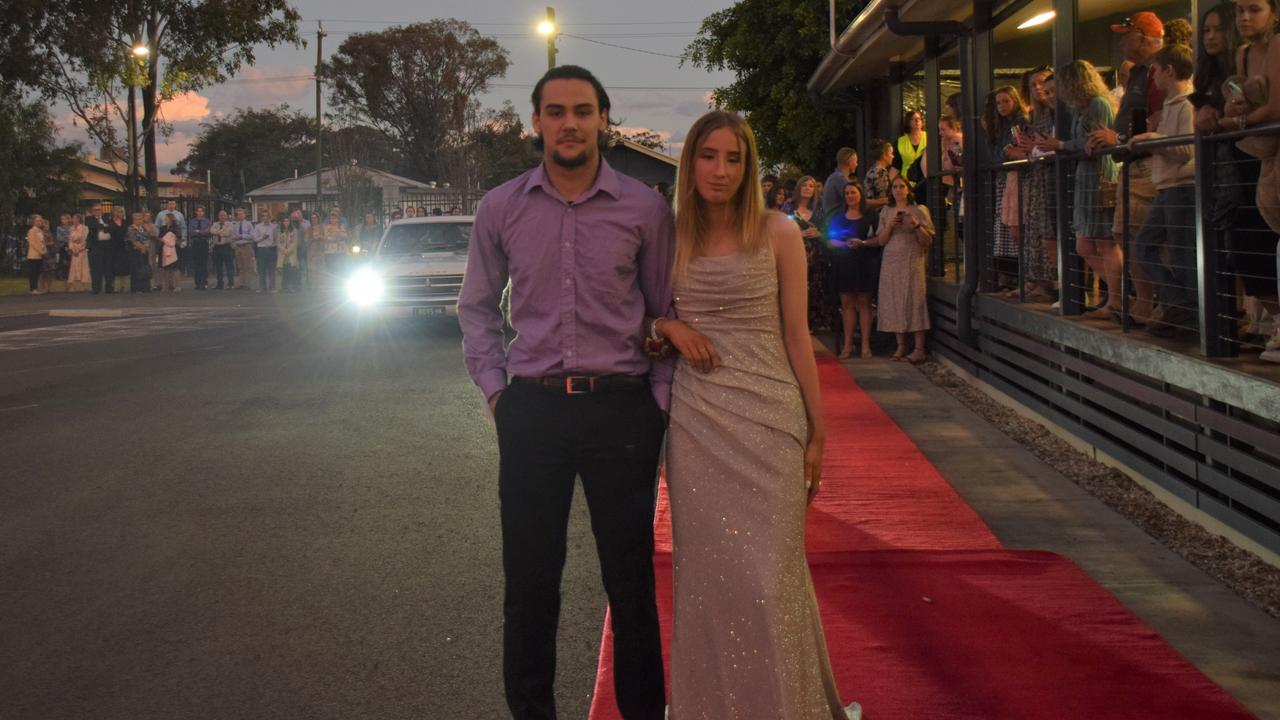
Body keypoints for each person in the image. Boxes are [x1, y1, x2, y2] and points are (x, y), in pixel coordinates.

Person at [457, 64, 671, 720]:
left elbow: (665, 309)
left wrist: (658, 401)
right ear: (537, 123)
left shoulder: (644, 207)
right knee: (529, 587)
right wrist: (498, 394)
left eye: (582, 110)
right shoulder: (501, 207)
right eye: (556, 111)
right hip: (534, 412)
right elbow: (475, 308)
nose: (569, 123)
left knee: (631, 586)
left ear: (604, 119)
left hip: (623, 414)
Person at [648, 109, 860, 720]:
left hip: (770, 418)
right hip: (698, 423)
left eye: (734, 158)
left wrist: (817, 431)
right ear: (691, 163)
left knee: (770, 582)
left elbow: (798, 335)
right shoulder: (671, 235)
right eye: (709, 156)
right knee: (710, 583)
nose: (721, 170)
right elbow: (636, 316)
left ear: (750, 167)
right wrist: (668, 325)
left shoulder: (779, 232)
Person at [1090, 11, 1166, 324]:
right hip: (1130, 162)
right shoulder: (1138, 72)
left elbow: (1162, 116)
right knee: (1125, 234)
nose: (1121, 40)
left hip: (1148, 164)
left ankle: (1154, 303)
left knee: (1139, 236)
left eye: (1127, 33)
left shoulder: (1159, 70)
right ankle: (1145, 302)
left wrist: (1118, 136)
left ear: (1146, 37)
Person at [1216, 0, 1280, 357]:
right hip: (1257, 155)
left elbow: (1274, 109)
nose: (1244, 17)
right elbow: (1236, 103)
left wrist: (1235, 122)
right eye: (1240, 10)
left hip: (1270, 152)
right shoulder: (1242, 54)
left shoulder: (1278, 44)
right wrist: (1233, 114)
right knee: (1246, 245)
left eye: (1254, 9)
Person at [1039, 61, 1121, 317]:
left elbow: (1094, 144)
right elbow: (1083, 143)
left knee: (1103, 240)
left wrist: (1062, 145)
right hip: (1084, 175)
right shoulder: (1080, 109)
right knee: (1084, 244)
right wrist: (1071, 145)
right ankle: (1118, 292)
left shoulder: (1098, 104)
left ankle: (1116, 299)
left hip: (1098, 174)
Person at [1129, 44, 1198, 336]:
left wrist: (1152, 138)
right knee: (1145, 247)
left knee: (1182, 256)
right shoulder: (1172, 105)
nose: (1152, 78)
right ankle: (1179, 305)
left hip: (1181, 187)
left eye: (1156, 71)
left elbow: (1187, 148)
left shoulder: (1187, 104)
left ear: (1169, 70)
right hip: (1167, 186)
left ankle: (1189, 315)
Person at [872, 175, 934, 362]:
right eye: (895, 187)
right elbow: (881, 240)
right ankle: (900, 346)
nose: (898, 190)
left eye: (901, 186)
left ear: (908, 189)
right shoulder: (886, 211)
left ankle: (919, 347)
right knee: (895, 300)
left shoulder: (919, 210)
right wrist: (890, 226)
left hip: (912, 258)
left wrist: (916, 226)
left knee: (915, 299)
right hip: (891, 260)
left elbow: (928, 240)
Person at [1010, 67, 1058, 302]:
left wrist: (1035, 148)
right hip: (1039, 175)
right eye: (1034, 85)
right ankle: (1038, 281)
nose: (1039, 89)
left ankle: (1057, 284)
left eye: (1042, 83)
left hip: (1054, 177)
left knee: (1051, 232)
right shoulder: (1035, 116)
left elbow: (1052, 144)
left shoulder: (1058, 112)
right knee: (1037, 232)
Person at [826, 180, 880, 358]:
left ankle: (865, 345)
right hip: (845, 263)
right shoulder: (838, 216)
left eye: (853, 192)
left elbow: (878, 238)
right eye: (847, 193)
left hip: (864, 262)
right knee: (847, 304)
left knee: (865, 303)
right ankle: (847, 345)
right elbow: (829, 239)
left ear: (860, 195)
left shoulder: (870, 215)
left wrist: (863, 243)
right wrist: (844, 243)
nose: (850, 196)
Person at [984, 85, 1029, 290]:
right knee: (1006, 227)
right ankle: (1012, 274)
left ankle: (1024, 276)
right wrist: (1005, 152)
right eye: (998, 103)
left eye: (1006, 101)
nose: (1002, 106)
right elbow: (999, 153)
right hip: (1004, 178)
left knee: (1017, 226)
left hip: (1018, 177)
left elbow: (1018, 151)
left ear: (1015, 101)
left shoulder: (1021, 122)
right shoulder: (1000, 127)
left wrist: (1007, 152)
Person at [793, 175, 838, 333]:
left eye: (811, 186)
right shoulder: (788, 208)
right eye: (804, 185)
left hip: (817, 255)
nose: (807, 188)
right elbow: (779, 231)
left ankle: (814, 324)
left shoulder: (820, 210)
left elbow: (831, 233)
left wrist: (819, 233)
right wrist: (799, 234)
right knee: (797, 289)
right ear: (798, 188)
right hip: (796, 254)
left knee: (816, 288)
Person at [895, 110, 928, 199]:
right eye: (913, 119)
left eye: (919, 119)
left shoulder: (930, 137)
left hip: (926, 181)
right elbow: (896, 166)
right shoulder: (900, 142)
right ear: (908, 122)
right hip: (906, 183)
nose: (917, 121)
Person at [821, 147, 858, 217]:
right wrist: (882, 201)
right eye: (855, 161)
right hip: (837, 222)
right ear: (849, 162)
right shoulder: (840, 178)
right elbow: (857, 201)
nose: (857, 164)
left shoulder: (834, 177)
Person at [85, 204, 113, 294]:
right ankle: (96, 288)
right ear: (92, 211)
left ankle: (109, 288)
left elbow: (112, 227)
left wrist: (104, 226)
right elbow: (93, 226)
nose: (97, 211)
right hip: (96, 246)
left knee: (108, 267)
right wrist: (104, 226)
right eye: (95, 210)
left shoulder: (107, 217)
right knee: (96, 268)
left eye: (99, 210)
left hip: (107, 245)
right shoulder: (89, 219)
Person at [155, 199, 186, 275]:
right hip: (163, 241)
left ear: (175, 205)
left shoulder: (179, 214)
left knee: (174, 264)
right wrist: (158, 238)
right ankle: (165, 283)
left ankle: (174, 284)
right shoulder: (161, 214)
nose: (171, 205)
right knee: (164, 263)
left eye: (173, 204)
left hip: (174, 243)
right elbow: (157, 226)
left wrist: (183, 239)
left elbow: (183, 227)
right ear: (167, 204)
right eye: (170, 203)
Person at [864, 138, 895, 212]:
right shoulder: (881, 172)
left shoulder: (871, 171)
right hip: (881, 212)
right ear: (884, 155)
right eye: (891, 153)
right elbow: (883, 197)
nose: (893, 156)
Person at [210, 210, 236, 290]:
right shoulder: (215, 224)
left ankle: (231, 284)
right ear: (218, 216)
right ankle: (220, 284)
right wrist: (221, 232)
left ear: (226, 216)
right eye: (221, 215)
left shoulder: (230, 224)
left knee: (229, 266)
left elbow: (228, 233)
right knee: (218, 267)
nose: (222, 217)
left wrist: (217, 232)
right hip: (217, 247)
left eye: (224, 215)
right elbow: (211, 231)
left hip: (226, 246)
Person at [126, 212, 152, 293]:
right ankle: (136, 288)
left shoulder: (143, 228)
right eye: (137, 219)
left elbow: (148, 238)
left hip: (144, 252)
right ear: (133, 220)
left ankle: (145, 287)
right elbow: (133, 240)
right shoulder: (130, 228)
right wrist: (141, 247)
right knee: (135, 269)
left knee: (145, 269)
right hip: (135, 252)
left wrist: (146, 246)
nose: (139, 220)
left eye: (140, 219)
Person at [230, 208, 256, 289]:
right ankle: (241, 283)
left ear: (244, 215)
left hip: (246, 246)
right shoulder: (235, 225)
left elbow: (252, 236)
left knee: (248, 266)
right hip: (238, 247)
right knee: (240, 266)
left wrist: (242, 236)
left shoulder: (249, 224)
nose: (240, 215)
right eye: (238, 214)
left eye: (241, 214)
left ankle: (248, 284)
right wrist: (235, 242)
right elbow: (232, 236)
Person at [253, 209, 278, 292]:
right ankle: (262, 287)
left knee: (272, 269)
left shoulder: (274, 226)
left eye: (267, 216)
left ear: (270, 217)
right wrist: (262, 237)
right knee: (262, 269)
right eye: (263, 216)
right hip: (261, 249)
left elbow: (277, 238)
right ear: (261, 217)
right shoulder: (257, 226)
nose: (265, 218)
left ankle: (272, 287)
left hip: (271, 249)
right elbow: (255, 239)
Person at [188, 207, 212, 290]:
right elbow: (191, 232)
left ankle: (204, 282)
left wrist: (198, 232)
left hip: (204, 243)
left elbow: (208, 231)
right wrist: (201, 232)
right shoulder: (192, 221)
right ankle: (197, 283)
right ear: (196, 212)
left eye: (201, 211)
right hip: (195, 243)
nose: (200, 213)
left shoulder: (207, 221)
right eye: (198, 211)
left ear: (204, 213)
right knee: (196, 264)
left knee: (204, 263)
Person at [321, 209, 348, 283]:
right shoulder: (326, 227)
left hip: (340, 251)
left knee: (340, 268)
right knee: (330, 268)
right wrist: (336, 236)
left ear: (338, 219)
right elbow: (326, 237)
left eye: (335, 218)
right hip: (330, 251)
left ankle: (340, 282)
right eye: (332, 218)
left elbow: (345, 236)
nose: (333, 219)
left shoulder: (342, 226)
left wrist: (336, 233)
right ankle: (332, 283)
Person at [107, 207, 130, 293]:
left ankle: (125, 286)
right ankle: (116, 287)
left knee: (124, 266)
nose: (119, 213)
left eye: (120, 212)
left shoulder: (125, 222)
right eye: (117, 212)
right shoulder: (110, 222)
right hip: (113, 246)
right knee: (114, 266)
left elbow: (127, 234)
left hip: (123, 247)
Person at [278, 216, 301, 292]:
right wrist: (284, 250)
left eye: (287, 221)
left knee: (291, 270)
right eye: (284, 221)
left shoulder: (294, 231)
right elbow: (278, 243)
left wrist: (288, 250)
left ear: (290, 222)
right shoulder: (280, 231)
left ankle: (291, 287)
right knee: (284, 270)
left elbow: (295, 242)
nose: (286, 222)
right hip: (283, 254)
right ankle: (284, 287)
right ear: (282, 222)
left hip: (291, 253)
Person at [66, 214, 89, 292]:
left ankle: (82, 286)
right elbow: (70, 239)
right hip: (74, 250)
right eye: (73, 218)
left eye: (74, 218)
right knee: (74, 268)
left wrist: (79, 249)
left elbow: (83, 239)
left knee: (82, 267)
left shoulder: (84, 228)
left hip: (81, 250)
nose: (73, 220)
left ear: (78, 219)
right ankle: (72, 286)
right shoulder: (71, 228)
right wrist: (72, 249)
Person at [158, 215, 181, 292]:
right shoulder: (163, 228)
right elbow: (160, 237)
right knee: (165, 268)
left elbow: (178, 237)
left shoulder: (176, 227)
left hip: (173, 249)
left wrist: (170, 239)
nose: (165, 219)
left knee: (175, 268)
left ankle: (177, 285)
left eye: (166, 218)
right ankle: (166, 285)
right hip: (164, 249)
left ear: (171, 219)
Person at [25, 215, 45, 295]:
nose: (39, 222)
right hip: (33, 255)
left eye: (40, 220)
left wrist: (44, 250)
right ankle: (32, 288)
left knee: (37, 272)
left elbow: (42, 242)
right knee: (33, 272)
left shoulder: (40, 231)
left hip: (40, 255)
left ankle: (35, 288)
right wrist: (40, 250)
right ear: (33, 222)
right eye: (37, 221)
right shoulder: (31, 231)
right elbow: (32, 243)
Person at [38, 217, 57, 294]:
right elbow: (40, 243)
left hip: (51, 254)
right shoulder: (40, 233)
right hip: (43, 254)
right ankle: (43, 288)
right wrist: (48, 243)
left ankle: (49, 288)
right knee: (43, 272)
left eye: (48, 225)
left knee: (50, 272)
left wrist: (52, 244)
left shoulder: (50, 233)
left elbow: (54, 242)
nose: (47, 226)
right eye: (45, 224)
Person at [307, 210, 325, 287]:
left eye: (315, 218)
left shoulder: (322, 227)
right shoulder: (309, 228)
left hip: (320, 249)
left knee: (321, 267)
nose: (314, 220)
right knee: (312, 268)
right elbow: (306, 239)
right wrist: (313, 238)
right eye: (312, 218)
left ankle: (321, 284)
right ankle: (313, 284)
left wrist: (320, 237)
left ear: (318, 219)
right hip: (312, 250)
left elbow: (326, 237)